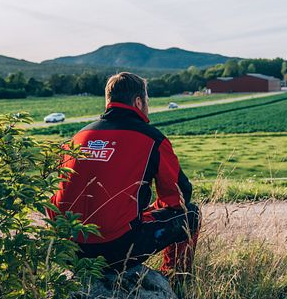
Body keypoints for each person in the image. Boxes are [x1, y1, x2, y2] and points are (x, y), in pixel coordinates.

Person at [49, 72, 199, 275]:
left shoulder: (78, 137)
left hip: (67, 250)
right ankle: (175, 277)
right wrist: (151, 209)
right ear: (138, 102)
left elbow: (58, 196)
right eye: (147, 100)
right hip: (116, 251)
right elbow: (178, 198)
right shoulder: (152, 139)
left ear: (108, 100)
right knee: (191, 214)